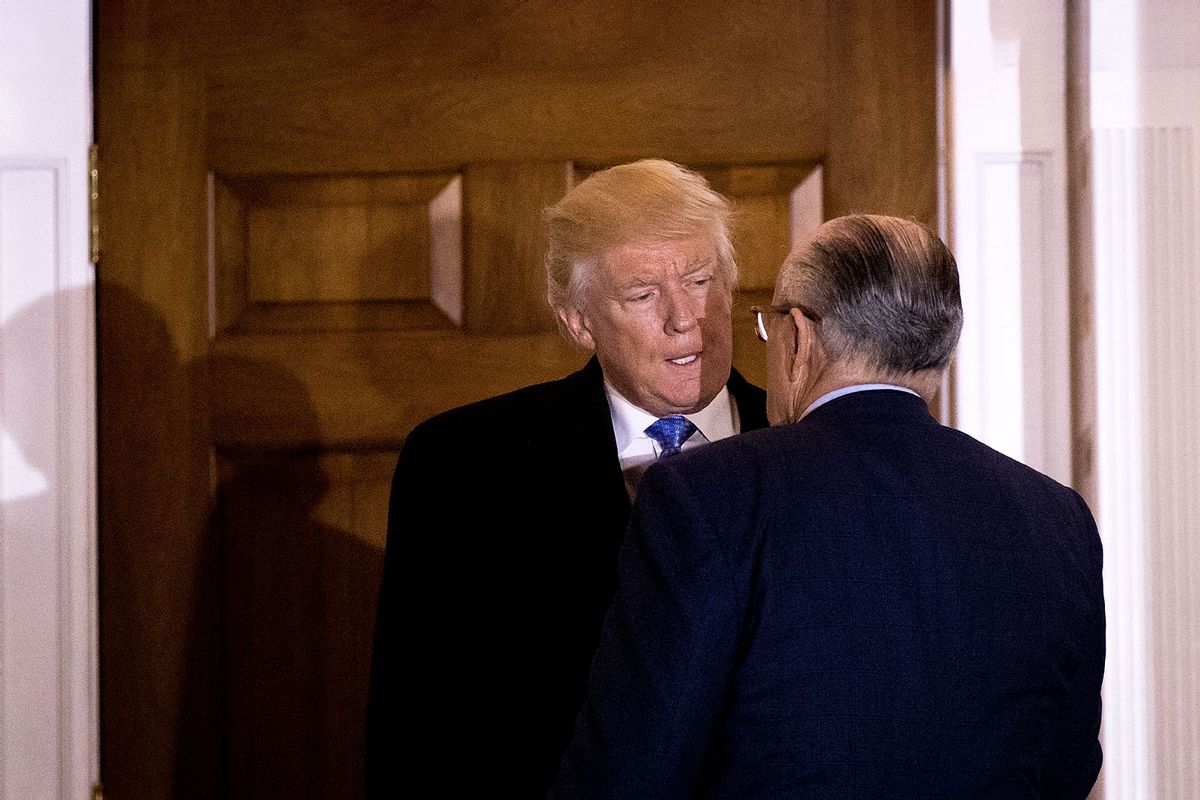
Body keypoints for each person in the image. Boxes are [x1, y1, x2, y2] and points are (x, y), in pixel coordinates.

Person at [549, 214, 1105, 799]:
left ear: (798, 336)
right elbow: (1068, 766)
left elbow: (629, 776)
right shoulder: (1057, 517)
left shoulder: (705, 496)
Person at [365, 159, 767, 797]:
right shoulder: (462, 467)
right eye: (643, 295)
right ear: (578, 321)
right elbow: (417, 730)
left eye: (700, 281)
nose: (684, 318)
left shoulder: (813, 449)